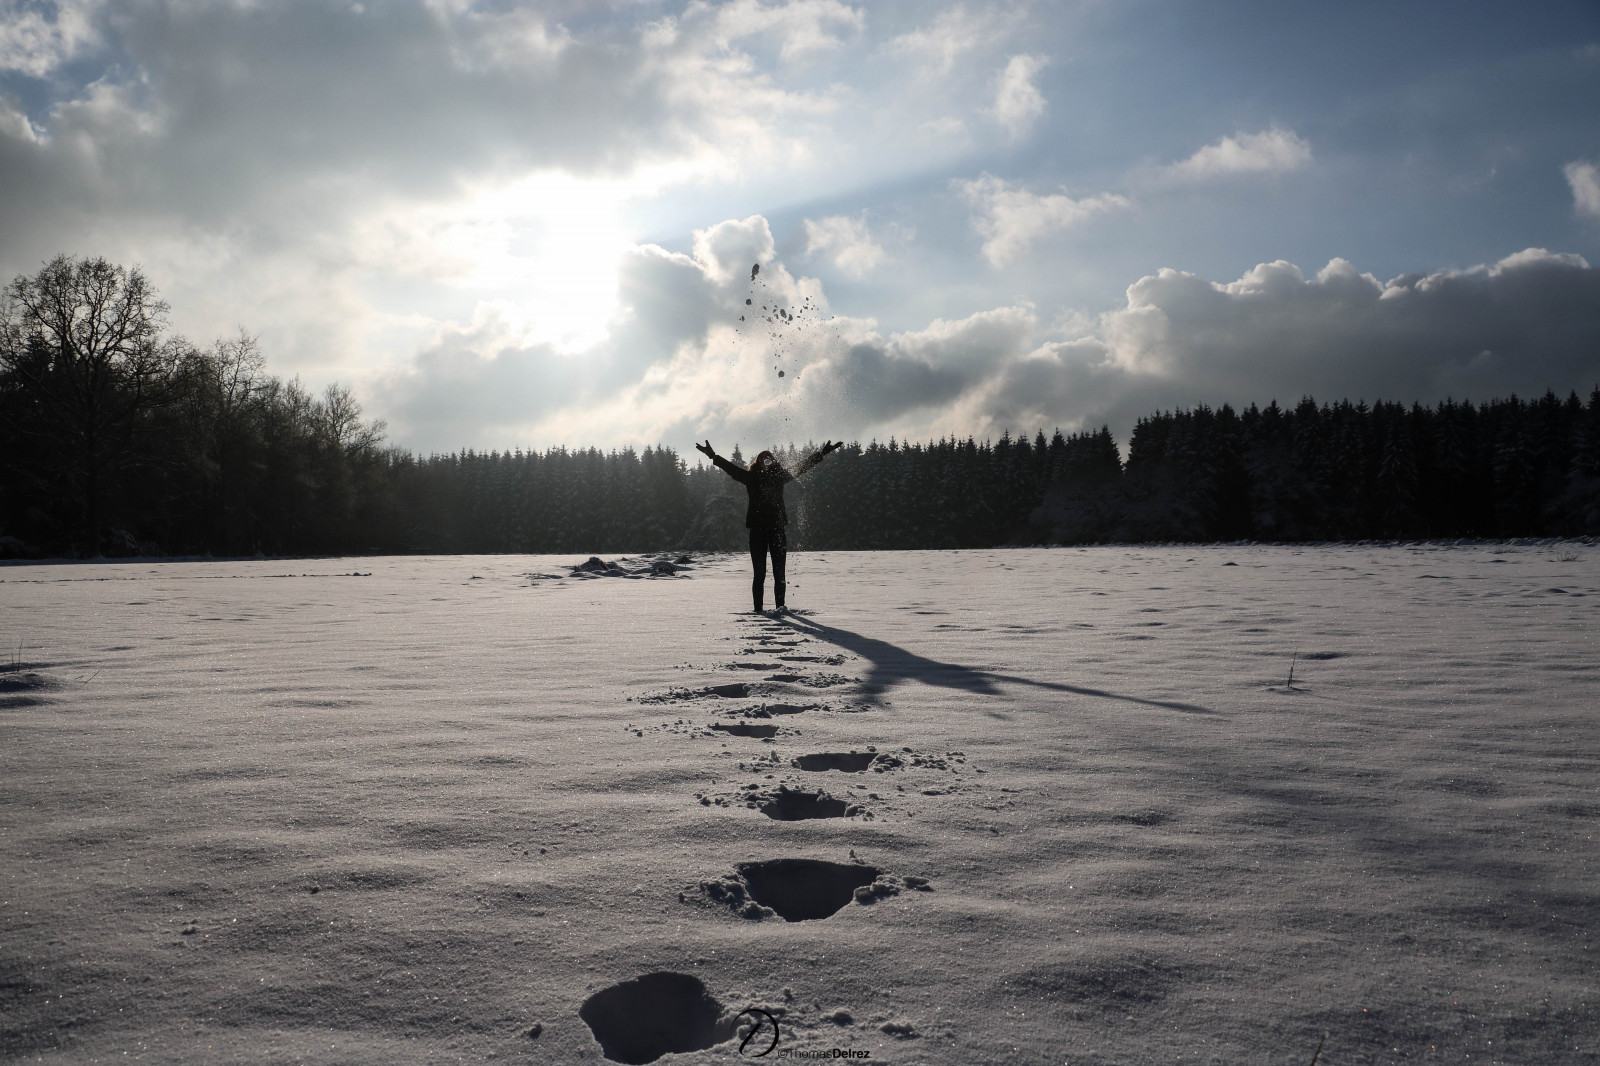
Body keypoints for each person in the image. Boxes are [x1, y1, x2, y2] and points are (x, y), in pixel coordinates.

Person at [696, 439, 843, 612]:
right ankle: (758, 611)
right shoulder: (751, 478)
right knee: (759, 574)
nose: (766, 461)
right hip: (757, 531)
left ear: (773, 462)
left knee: (779, 574)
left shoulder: (779, 477)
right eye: (762, 459)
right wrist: (713, 456)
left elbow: (802, 467)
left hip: (777, 530)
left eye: (769, 459)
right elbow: (731, 469)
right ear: (757, 462)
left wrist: (822, 453)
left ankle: (780, 609)